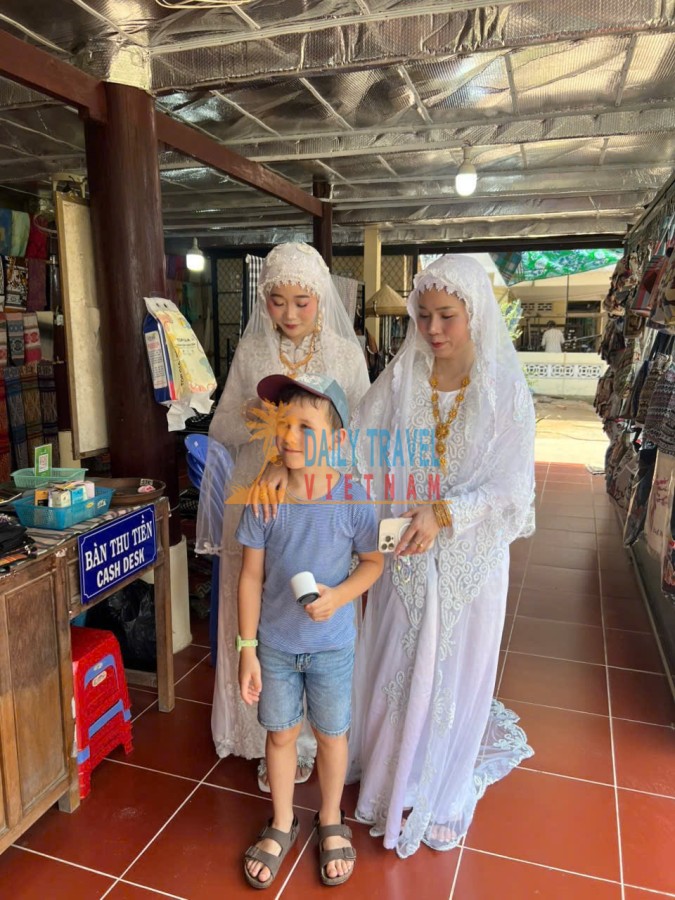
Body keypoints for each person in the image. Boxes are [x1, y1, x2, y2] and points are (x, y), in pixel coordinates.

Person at [348, 254, 536, 858]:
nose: (433, 329)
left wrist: (445, 512)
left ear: (473, 313)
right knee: (394, 668)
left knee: (454, 672)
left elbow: (513, 490)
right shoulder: (402, 376)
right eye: (423, 315)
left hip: (468, 561)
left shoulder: (503, 390)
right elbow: (359, 448)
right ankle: (390, 781)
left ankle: (443, 790)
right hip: (404, 555)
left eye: (447, 316)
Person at [199, 242, 370, 788]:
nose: (290, 314)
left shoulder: (345, 355)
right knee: (260, 598)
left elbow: (358, 435)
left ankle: (319, 735)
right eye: (277, 301)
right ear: (263, 300)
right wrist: (260, 423)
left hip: (318, 497)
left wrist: (297, 464)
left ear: (321, 297)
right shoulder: (253, 351)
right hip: (262, 496)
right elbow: (223, 426)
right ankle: (267, 735)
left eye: (302, 301)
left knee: (313, 602)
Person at [236, 373, 383, 888]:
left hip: (332, 647)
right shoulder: (264, 498)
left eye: (305, 426)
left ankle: (329, 817)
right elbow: (250, 575)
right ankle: (282, 821)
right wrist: (247, 648)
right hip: (276, 646)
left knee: (331, 735)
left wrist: (339, 597)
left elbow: (373, 562)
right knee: (279, 734)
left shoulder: (353, 499)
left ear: (337, 439)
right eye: (283, 423)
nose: (289, 436)